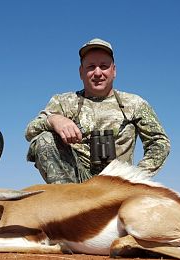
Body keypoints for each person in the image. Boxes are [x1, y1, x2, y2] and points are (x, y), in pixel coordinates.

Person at [25, 38, 170, 184]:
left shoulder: (135, 103)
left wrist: (135, 177)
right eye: (91, 67)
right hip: (76, 183)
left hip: (118, 182)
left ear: (114, 71)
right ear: (81, 72)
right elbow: (30, 131)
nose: (98, 73)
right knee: (45, 139)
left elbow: (159, 142)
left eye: (104, 66)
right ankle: (70, 201)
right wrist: (54, 120)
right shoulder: (62, 102)